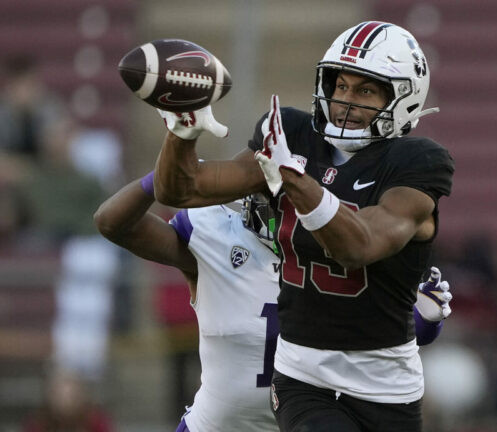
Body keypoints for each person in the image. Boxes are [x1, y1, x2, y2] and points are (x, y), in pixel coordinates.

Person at [152, 21, 454, 431]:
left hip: (386, 383)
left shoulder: (417, 162)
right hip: (302, 374)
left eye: (365, 90)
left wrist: (294, 178)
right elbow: (182, 190)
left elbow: (358, 245)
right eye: (339, 86)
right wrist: (181, 133)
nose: (345, 101)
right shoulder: (295, 136)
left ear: (402, 98)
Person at [93, 169, 453, 431]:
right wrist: (161, 176)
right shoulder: (216, 238)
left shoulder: (345, 258)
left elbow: (379, 345)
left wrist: (424, 321)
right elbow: (112, 222)